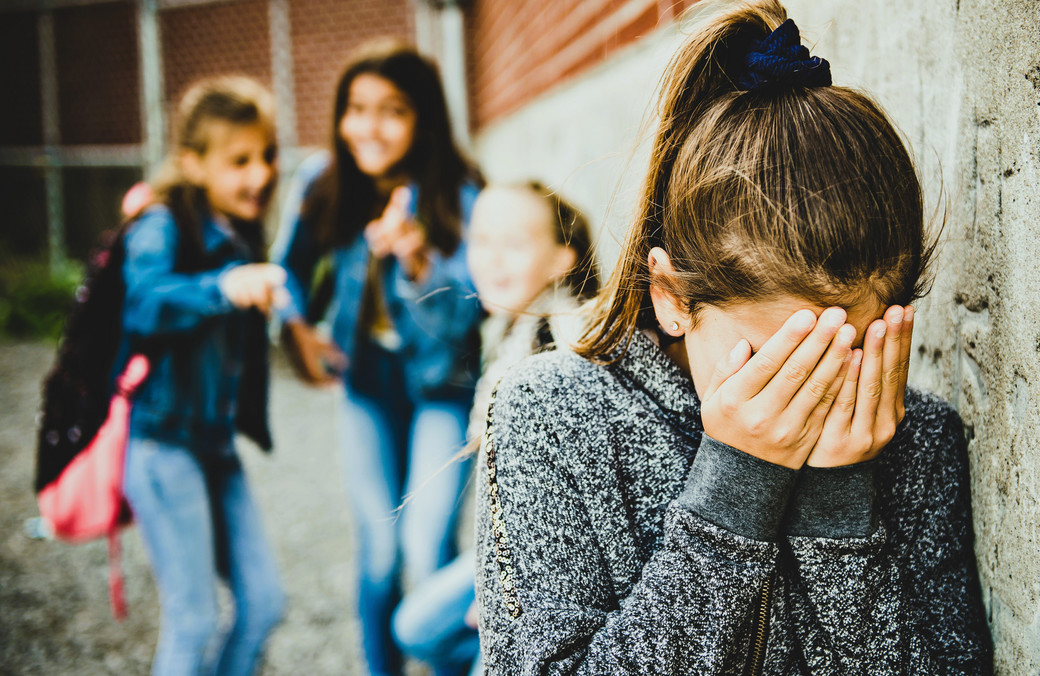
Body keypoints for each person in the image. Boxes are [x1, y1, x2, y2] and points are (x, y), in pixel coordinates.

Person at [474, 2, 994, 673]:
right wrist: (734, 493)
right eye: (778, 360)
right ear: (672, 297)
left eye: (845, 354)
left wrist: (841, 505)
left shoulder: (915, 441)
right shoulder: (552, 417)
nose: (809, 393)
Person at [271, 39, 483, 675]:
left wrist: (419, 261)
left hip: (441, 389)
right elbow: (285, 273)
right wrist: (298, 330)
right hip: (366, 387)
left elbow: (472, 313)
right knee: (381, 554)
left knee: (426, 547)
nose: (369, 126)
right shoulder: (322, 183)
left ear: (424, 118)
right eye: (356, 108)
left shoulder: (461, 193)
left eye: (392, 110)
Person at [392, 182, 600, 676]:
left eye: (515, 243)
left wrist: (503, 593)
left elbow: (566, 497)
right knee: (415, 628)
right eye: (481, 240)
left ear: (561, 260)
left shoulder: (564, 341)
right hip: (510, 547)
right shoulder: (511, 330)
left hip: (549, 566)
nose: (493, 259)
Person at [121, 76, 286, 676]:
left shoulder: (242, 233)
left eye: (266, 156)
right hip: (162, 445)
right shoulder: (162, 224)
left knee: (265, 605)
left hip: (214, 447)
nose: (260, 173)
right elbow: (142, 303)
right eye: (239, 160)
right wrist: (221, 287)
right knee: (191, 620)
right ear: (193, 164)